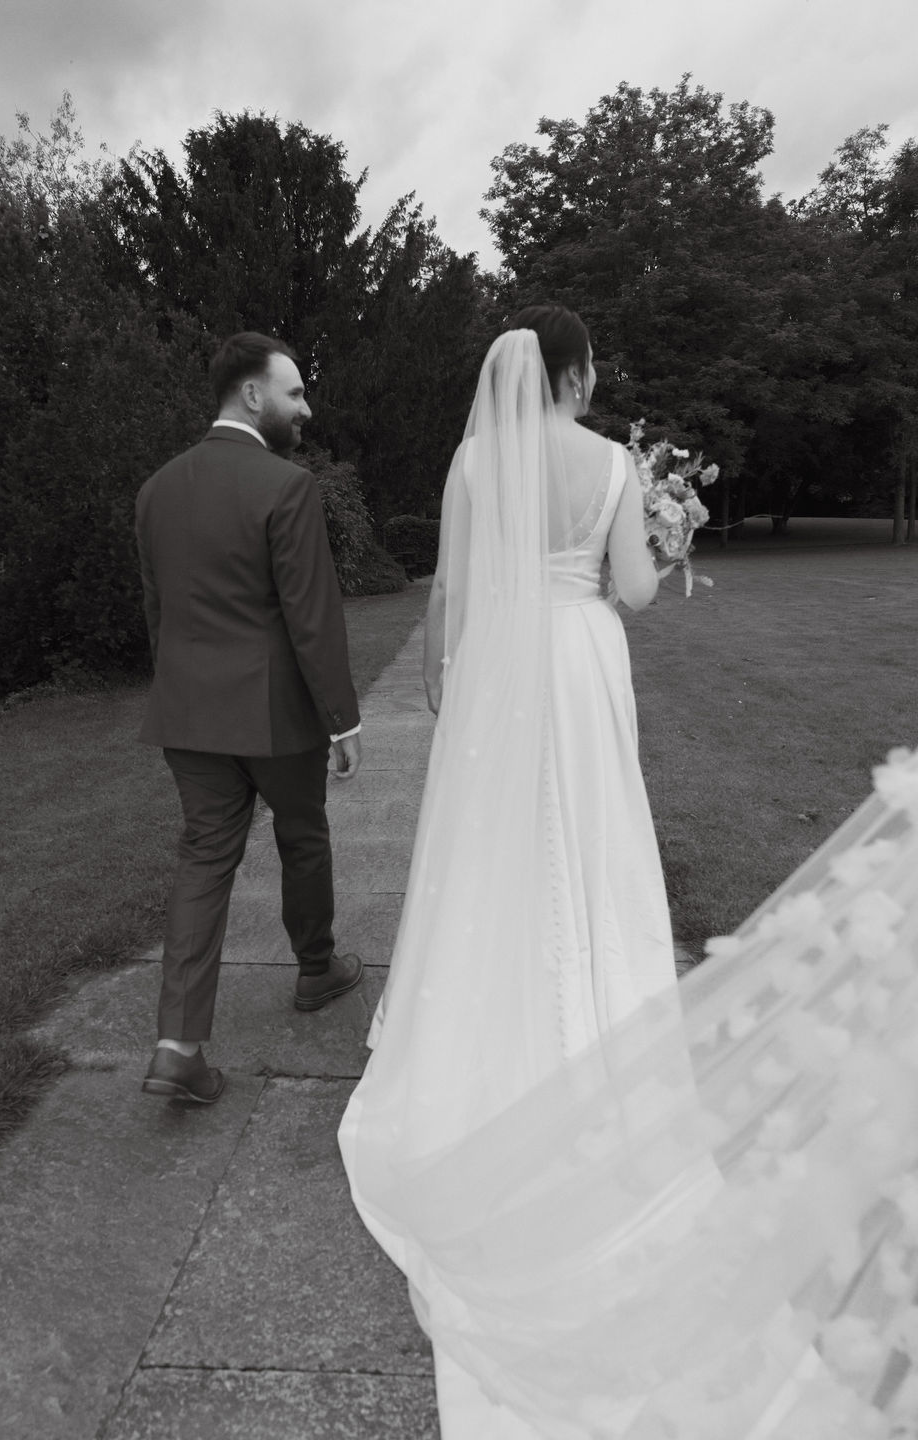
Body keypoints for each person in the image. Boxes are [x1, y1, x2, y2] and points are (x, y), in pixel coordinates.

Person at [339, 312, 918, 1437]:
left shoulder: (472, 459)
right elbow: (637, 594)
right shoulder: (612, 463)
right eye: (595, 364)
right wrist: (660, 534)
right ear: (575, 373)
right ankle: (601, 1015)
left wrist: (443, 674)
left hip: (501, 661)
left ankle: (487, 1006)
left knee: (492, 836)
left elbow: (451, 587)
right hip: (579, 656)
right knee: (592, 829)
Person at [136, 331, 363, 1106]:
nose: (306, 408)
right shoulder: (287, 485)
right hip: (275, 717)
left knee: (204, 858)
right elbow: (312, 616)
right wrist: (341, 719)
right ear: (254, 394)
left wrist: (178, 689)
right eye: (295, 393)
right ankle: (316, 970)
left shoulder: (156, 489)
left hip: (187, 714)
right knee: (303, 835)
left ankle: (178, 1047)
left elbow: (158, 614)